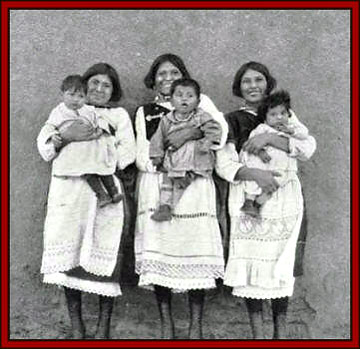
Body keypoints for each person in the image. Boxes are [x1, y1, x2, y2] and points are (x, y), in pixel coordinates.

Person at [215, 61, 316, 339]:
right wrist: (254, 173)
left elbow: (308, 147)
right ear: (239, 87)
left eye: (258, 80)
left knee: (280, 264)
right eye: (246, 81)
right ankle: (258, 334)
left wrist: (271, 137)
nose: (253, 86)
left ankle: (280, 333)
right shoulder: (231, 120)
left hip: (284, 198)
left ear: (267, 83)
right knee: (253, 268)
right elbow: (223, 164)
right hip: (249, 195)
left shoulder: (283, 114)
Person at [37, 63, 136, 339]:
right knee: (70, 257)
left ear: (113, 90)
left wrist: (100, 155)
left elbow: (128, 152)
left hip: (104, 188)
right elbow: (45, 148)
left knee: (105, 254)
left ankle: (103, 328)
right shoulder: (63, 113)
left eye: (106, 85)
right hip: (69, 190)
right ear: (81, 88)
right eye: (94, 84)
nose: (99, 90)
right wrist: (65, 137)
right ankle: (77, 327)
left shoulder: (117, 115)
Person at [134, 53, 227, 339]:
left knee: (193, 252)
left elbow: (220, 135)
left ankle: (196, 327)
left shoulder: (202, 102)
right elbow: (141, 154)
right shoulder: (145, 111)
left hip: (196, 185)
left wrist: (189, 134)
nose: (168, 78)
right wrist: (164, 165)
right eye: (161, 73)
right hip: (158, 183)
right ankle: (167, 326)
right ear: (154, 79)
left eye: (174, 72)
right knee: (161, 252)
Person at [44, 74, 122, 208]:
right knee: (88, 172)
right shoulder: (58, 112)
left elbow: (101, 121)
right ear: (63, 94)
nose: (76, 100)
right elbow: (50, 128)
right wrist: (55, 138)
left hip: (92, 150)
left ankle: (113, 191)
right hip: (75, 154)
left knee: (103, 169)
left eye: (81, 96)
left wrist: (100, 130)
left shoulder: (88, 110)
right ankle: (102, 195)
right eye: (71, 95)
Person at [149, 78, 222, 221]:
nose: (184, 99)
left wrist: (208, 141)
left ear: (198, 101)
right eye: (179, 95)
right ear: (171, 101)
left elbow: (214, 128)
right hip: (176, 158)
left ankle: (171, 205)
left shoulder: (201, 116)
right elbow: (158, 138)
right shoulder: (166, 120)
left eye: (190, 96)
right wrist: (156, 155)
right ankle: (164, 206)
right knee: (167, 180)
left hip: (196, 158)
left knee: (180, 182)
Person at [239, 89, 309, 217]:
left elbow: (305, 135)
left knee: (277, 183)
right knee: (254, 180)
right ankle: (249, 201)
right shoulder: (262, 128)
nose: (279, 117)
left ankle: (258, 205)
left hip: (281, 167)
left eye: (283, 113)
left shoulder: (290, 130)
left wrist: (291, 131)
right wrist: (260, 152)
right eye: (273, 114)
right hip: (263, 164)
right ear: (265, 118)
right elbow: (249, 144)